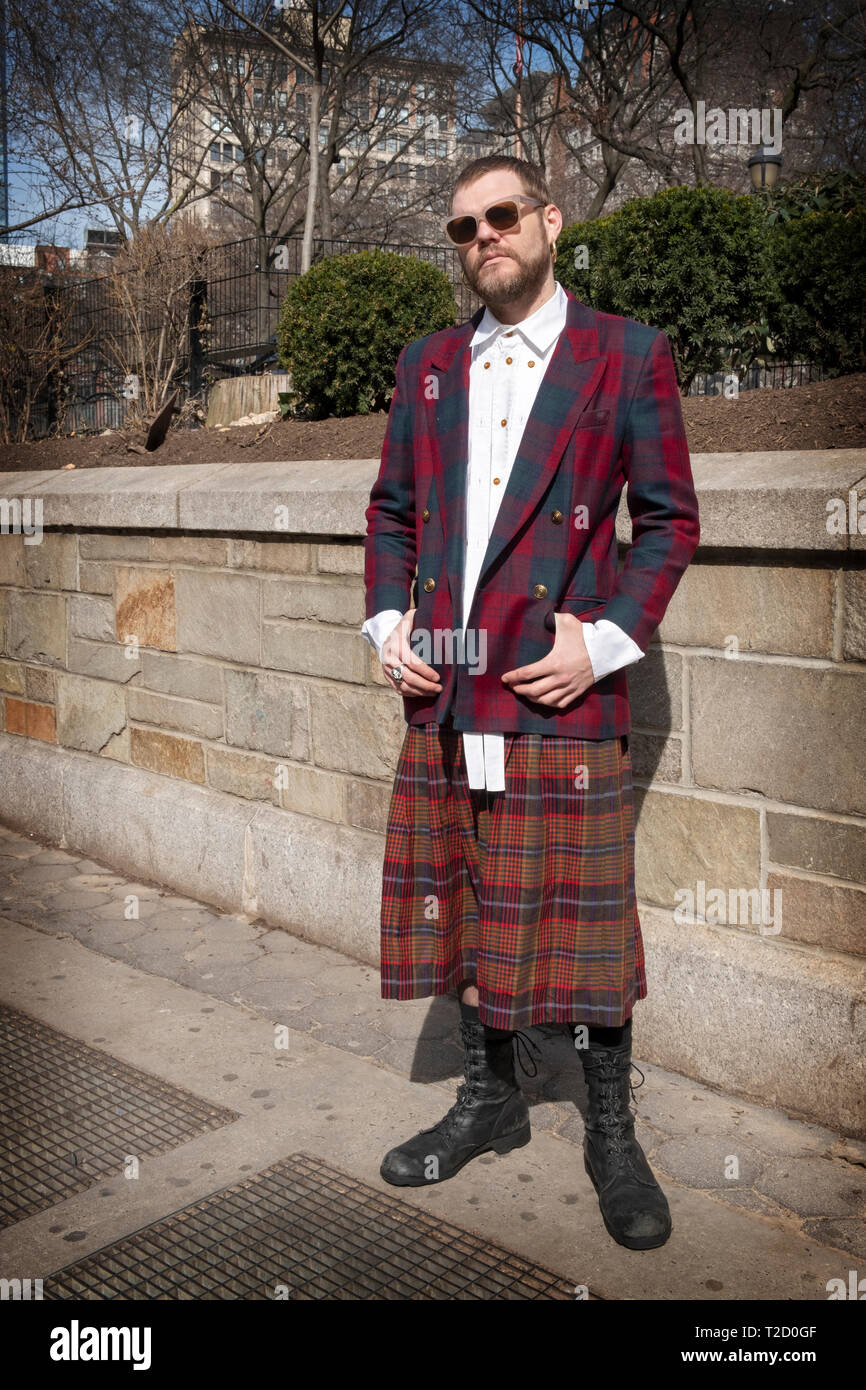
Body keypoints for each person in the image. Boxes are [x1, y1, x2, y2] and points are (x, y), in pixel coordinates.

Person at [361, 155, 700, 1251]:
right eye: (461, 228)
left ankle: (610, 1134)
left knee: (586, 928)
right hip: (449, 680)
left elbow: (668, 520)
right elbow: (391, 516)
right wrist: (388, 628)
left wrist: (601, 642)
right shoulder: (425, 365)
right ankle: (489, 1099)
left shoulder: (625, 355)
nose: (481, 238)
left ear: (548, 221)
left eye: (500, 216)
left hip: (556, 686)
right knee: (461, 902)